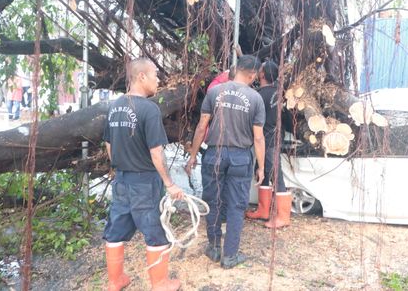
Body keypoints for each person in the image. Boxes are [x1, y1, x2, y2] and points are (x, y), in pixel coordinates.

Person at [102, 58, 184, 291]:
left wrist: (120, 165)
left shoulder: (115, 105)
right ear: (141, 77)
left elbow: (108, 144)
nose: (158, 80)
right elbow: (156, 153)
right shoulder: (149, 109)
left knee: (116, 229)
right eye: (155, 75)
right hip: (145, 182)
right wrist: (169, 184)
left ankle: (115, 281)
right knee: (154, 230)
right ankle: (160, 283)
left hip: (121, 178)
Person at [185, 55, 265, 269]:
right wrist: (262, 167)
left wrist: (193, 155)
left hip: (214, 154)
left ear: (236, 68)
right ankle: (230, 255)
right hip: (240, 157)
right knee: (237, 206)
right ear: (252, 74)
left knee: (213, 201)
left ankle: (214, 248)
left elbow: (202, 127)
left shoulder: (214, 92)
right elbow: (258, 137)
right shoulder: (256, 99)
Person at [245, 61, 291, 228]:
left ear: (262, 75)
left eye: (260, 70)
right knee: (262, 170)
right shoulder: (279, 92)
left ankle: (283, 217)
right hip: (276, 136)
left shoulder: (259, 95)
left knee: (275, 175)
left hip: (267, 140)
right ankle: (263, 210)